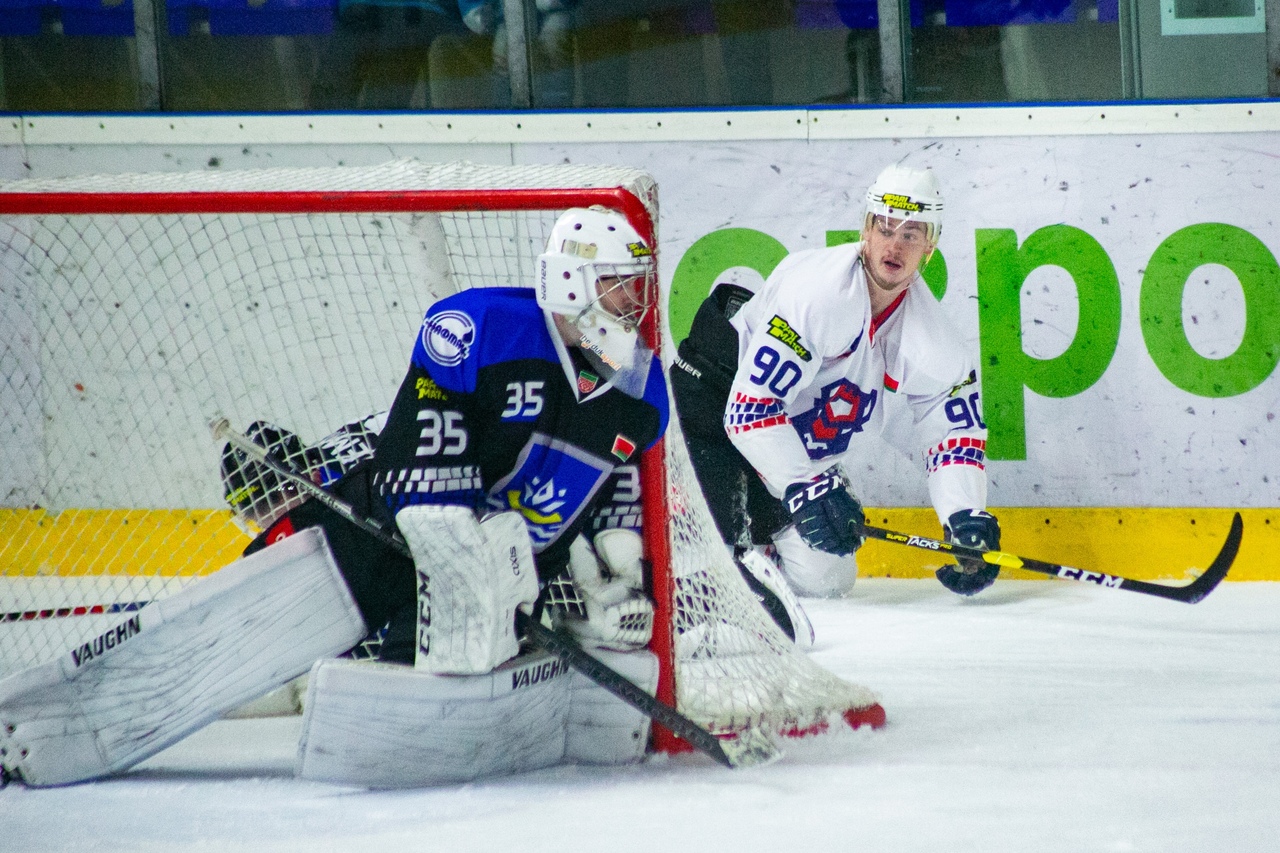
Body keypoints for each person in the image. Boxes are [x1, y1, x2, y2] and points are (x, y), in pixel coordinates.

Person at [0, 207, 669, 788]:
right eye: (617, 284)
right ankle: (41, 721)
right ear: (571, 281)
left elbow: (613, 485)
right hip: (388, 533)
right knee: (234, 638)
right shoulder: (483, 327)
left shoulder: (641, 389)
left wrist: (610, 577)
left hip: (510, 577)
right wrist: (462, 543)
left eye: (635, 285)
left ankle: (403, 663)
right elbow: (423, 449)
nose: (632, 302)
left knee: (430, 662)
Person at [669, 162, 999, 606]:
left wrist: (964, 515)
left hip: (786, 442)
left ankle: (757, 544)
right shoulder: (816, 294)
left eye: (911, 234)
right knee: (707, 570)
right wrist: (806, 486)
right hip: (711, 405)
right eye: (885, 227)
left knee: (828, 576)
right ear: (866, 229)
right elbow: (750, 410)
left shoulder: (934, 341)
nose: (894, 245)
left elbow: (953, 435)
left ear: (930, 247)